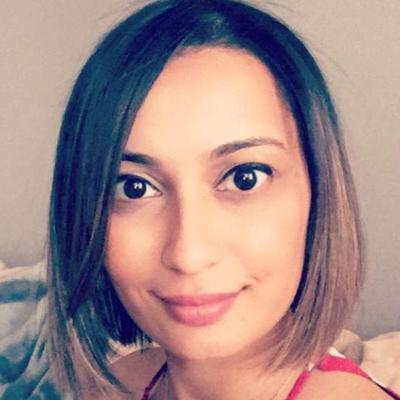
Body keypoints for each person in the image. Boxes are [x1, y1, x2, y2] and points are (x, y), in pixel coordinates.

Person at [45, 0, 399, 399]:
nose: (189, 254)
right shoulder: (118, 383)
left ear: (318, 193)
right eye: (134, 187)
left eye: (245, 178)